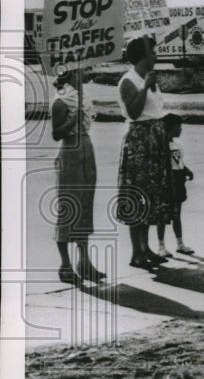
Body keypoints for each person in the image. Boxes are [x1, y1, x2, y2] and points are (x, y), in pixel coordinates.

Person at [116, 36, 172, 269]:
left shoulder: (149, 78)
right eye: (153, 52)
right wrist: (145, 87)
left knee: (152, 195)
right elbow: (135, 112)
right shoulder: (128, 81)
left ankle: (146, 247)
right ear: (142, 56)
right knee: (138, 194)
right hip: (139, 140)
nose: (156, 56)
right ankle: (136, 251)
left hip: (155, 139)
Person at [50, 68, 105, 283]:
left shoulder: (82, 98)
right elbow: (56, 133)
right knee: (68, 208)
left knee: (84, 206)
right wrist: (74, 120)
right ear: (72, 74)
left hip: (86, 147)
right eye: (84, 69)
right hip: (70, 151)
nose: (88, 72)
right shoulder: (61, 100)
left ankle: (85, 262)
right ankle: (65, 264)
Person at [155, 113, 195, 257]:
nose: (181, 130)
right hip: (167, 183)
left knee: (177, 214)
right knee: (163, 215)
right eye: (178, 127)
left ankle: (180, 243)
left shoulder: (178, 146)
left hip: (178, 182)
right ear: (170, 128)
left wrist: (186, 170)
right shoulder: (161, 146)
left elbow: (179, 163)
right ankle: (161, 246)